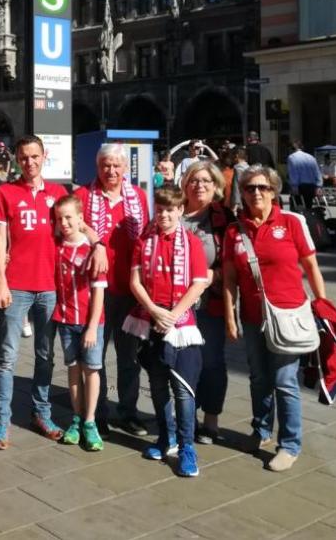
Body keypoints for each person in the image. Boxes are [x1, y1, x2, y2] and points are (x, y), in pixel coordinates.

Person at [222, 165, 328, 473]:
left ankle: (290, 444)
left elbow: (311, 267)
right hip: (254, 317)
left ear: (273, 191)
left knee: (284, 381)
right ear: (241, 193)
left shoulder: (291, 223)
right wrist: (230, 315)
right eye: (249, 188)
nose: (256, 193)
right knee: (258, 378)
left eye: (263, 187)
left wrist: (322, 304)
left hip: (289, 314)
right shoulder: (234, 230)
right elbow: (229, 278)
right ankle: (262, 430)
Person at [0, 136, 75, 449]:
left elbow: (73, 230)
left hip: (50, 286)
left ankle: (41, 412)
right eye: (24, 157)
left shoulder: (58, 193)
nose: (30, 162)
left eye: (35, 157)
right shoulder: (6, 191)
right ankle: (1, 420)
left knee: (45, 355)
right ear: (16, 159)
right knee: (7, 356)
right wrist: (1, 280)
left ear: (44, 156)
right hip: (17, 285)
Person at [126, 184, 209, 477]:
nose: (164, 215)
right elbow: (134, 281)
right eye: (160, 210)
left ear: (180, 210)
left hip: (181, 322)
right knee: (158, 386)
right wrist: (153, 310)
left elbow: (199, 282)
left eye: (170, 210)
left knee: (183, 391)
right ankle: (166, 438)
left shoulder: (193, 243)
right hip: (151, 320)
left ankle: (188, 446)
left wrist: (172, 315)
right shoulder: (143, 242)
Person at [75, 143, 149, 436]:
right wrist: (97, 243)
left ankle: (129, 411)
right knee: (96, 356)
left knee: (129, 355)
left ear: (125, 169)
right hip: (96, 291)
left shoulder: (138, 197)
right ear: (98, 167)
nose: (111, 171)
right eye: (106, 165)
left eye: (117, 165)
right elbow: (74, 227)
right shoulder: (83, 195)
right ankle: (99, 412)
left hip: (130, 290)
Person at [179, 161, 235, 445]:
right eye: (193, 180)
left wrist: (216, 273)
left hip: (209, 302)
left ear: (216, 186)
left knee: (212, 361)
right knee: (181, 361)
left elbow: (236, 259)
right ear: (184, 184)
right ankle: (185, 416)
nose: (199, 185)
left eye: (205, 181)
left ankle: (210, 418)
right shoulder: (173, 212)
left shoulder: (222, 217)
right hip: (176, 304)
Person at [52, 195, 107, 451]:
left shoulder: (93, 252)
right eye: (59, 218)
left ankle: (90, 421)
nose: (64, 223)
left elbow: (98, 292)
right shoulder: (57, 247)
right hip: (65, 321)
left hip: (90, 324)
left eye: (69, 217)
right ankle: (76, 417)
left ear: (81, 219)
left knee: (91, 370)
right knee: (73, 370)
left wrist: (93, 326)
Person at [286, 141, 322, 210]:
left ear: (291, 149)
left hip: (300, 187)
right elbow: (317, 172)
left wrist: (294, 186)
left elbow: (293, 173)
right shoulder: (311, 157)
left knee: (297, 209)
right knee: (308, 208)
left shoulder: (291, 157)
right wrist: (318, 186)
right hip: (311, 186)